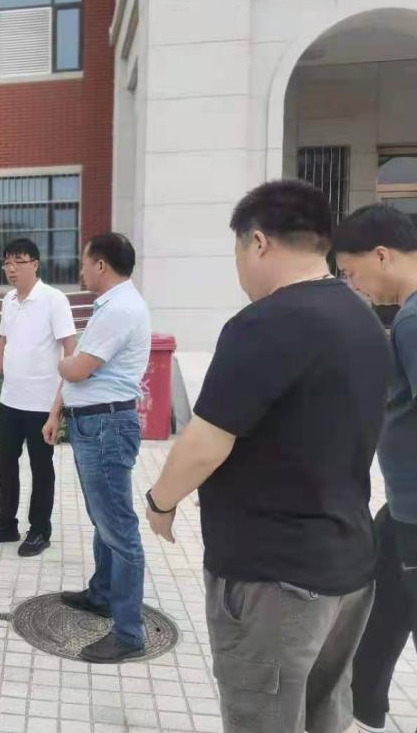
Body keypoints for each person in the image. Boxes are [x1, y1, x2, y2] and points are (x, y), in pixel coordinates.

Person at [145, 180, 391, 733]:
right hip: (348, 568)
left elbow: (206, 442)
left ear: (257, 242)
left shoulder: (264, 323)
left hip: (275, 579)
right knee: (324, 715)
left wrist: (160, 502)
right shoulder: (364, 319)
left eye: (237, 252)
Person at [42, 232, 151, 663]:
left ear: (101, 265)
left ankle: (129, 633)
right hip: (97, 423)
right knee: (104, 520)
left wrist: (60, 361)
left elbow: (79, 368)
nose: (81, 269)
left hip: (105, 426)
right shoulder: (114, 306)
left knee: (119, 530)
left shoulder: (120, 309)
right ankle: (102, 594)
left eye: (85, 262)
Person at [333, 203, 417, 733]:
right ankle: (363, 709)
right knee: (381, 607)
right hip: (402, 510)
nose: (353, 285)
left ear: (382, 255)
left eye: (351, 271)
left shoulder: (413, 319)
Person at [0, 238, 77, 557]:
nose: (11, 268)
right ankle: (6, 523)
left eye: (18, 262)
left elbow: (71, 350)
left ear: (34, 264)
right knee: (4, 462)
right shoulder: (9, 300)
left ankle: (40, 530)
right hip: (11, 400)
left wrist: (58, 408)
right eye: (7, 262)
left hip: (42, 403)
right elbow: (3, 342)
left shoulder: (54, 300)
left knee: (41, 468)